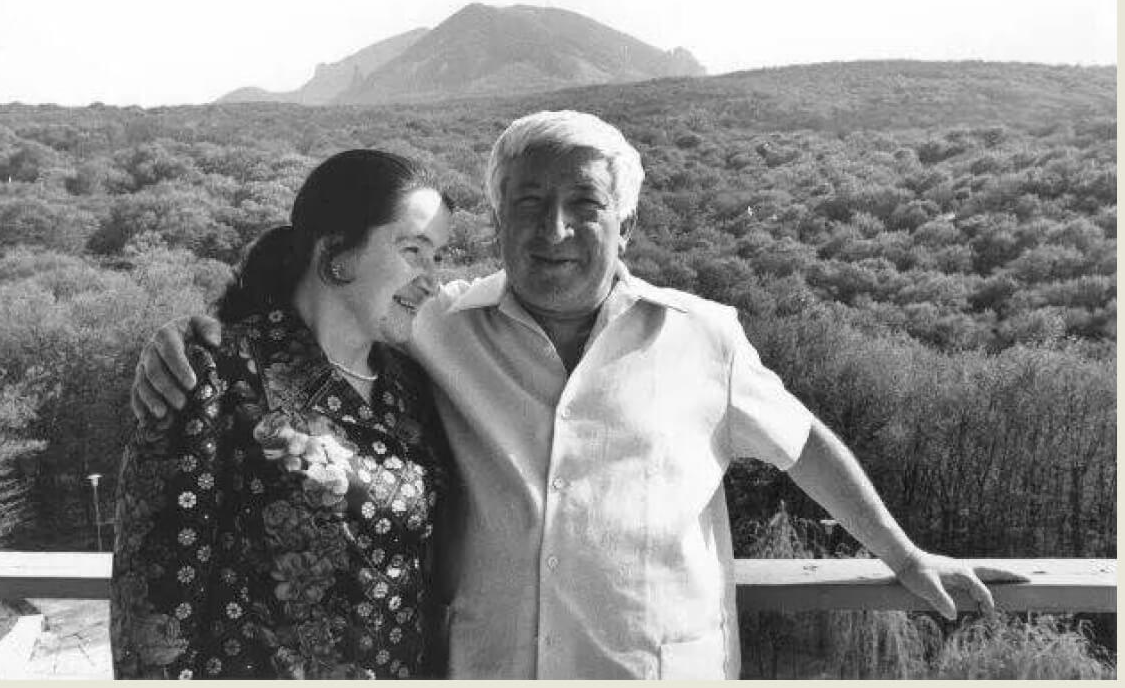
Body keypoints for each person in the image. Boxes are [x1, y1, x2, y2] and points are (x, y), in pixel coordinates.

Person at [132, 111, 1023, 680]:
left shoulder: (702, 337)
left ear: (624, 222)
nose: (552, 229)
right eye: (527, 203)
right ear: (499, 217)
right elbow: (325, 306)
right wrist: (194, 334)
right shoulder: (435, 326)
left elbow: (805, 446)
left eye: (582, 206)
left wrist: (905, 555)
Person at [112, 149, 454, 679]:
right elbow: (152, 610)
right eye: (413, 250)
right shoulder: (215, 375)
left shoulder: (411, 388)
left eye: (439, 256)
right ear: (335, 250)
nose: (432, 280)